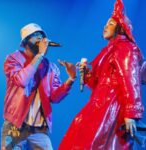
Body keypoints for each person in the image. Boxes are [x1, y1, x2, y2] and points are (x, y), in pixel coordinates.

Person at [59, 0, 144, 149]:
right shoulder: (109, 51)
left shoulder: (125, 48)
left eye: (111, 23)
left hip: (111, 107)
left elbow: (130, 79)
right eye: (106, 23)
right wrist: (86, 74)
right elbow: (98, 84)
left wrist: (131, 112)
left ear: (121, 28)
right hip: (99, 105)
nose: (105, 26)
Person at [1, 23, 76, 150]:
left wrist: (71, 79)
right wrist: (40, 55)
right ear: (25, 41)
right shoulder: (13, 59)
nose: (40, 38)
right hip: (15, 126)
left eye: (41, 35)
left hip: (39, 130)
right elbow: (21, 81)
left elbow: (55, 98)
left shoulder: (51, 67)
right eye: (35, 35)